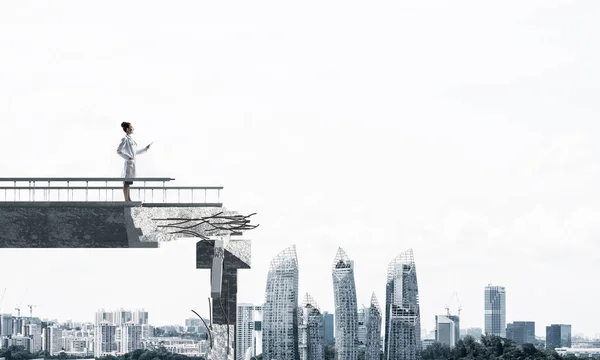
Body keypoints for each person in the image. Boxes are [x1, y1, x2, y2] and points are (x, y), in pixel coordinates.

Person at [116, 122, 151, 201]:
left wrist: (145, 149)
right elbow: (119, 151)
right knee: (126, 182)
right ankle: (126, 200)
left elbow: (135, 152)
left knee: (129, 183)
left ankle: (129, 199)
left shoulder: (130, 139)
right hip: (129, 164)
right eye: (131, 127)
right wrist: (128, 157)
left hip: (132, 164)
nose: (133, 128)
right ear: (127, 129)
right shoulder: (125, 139)